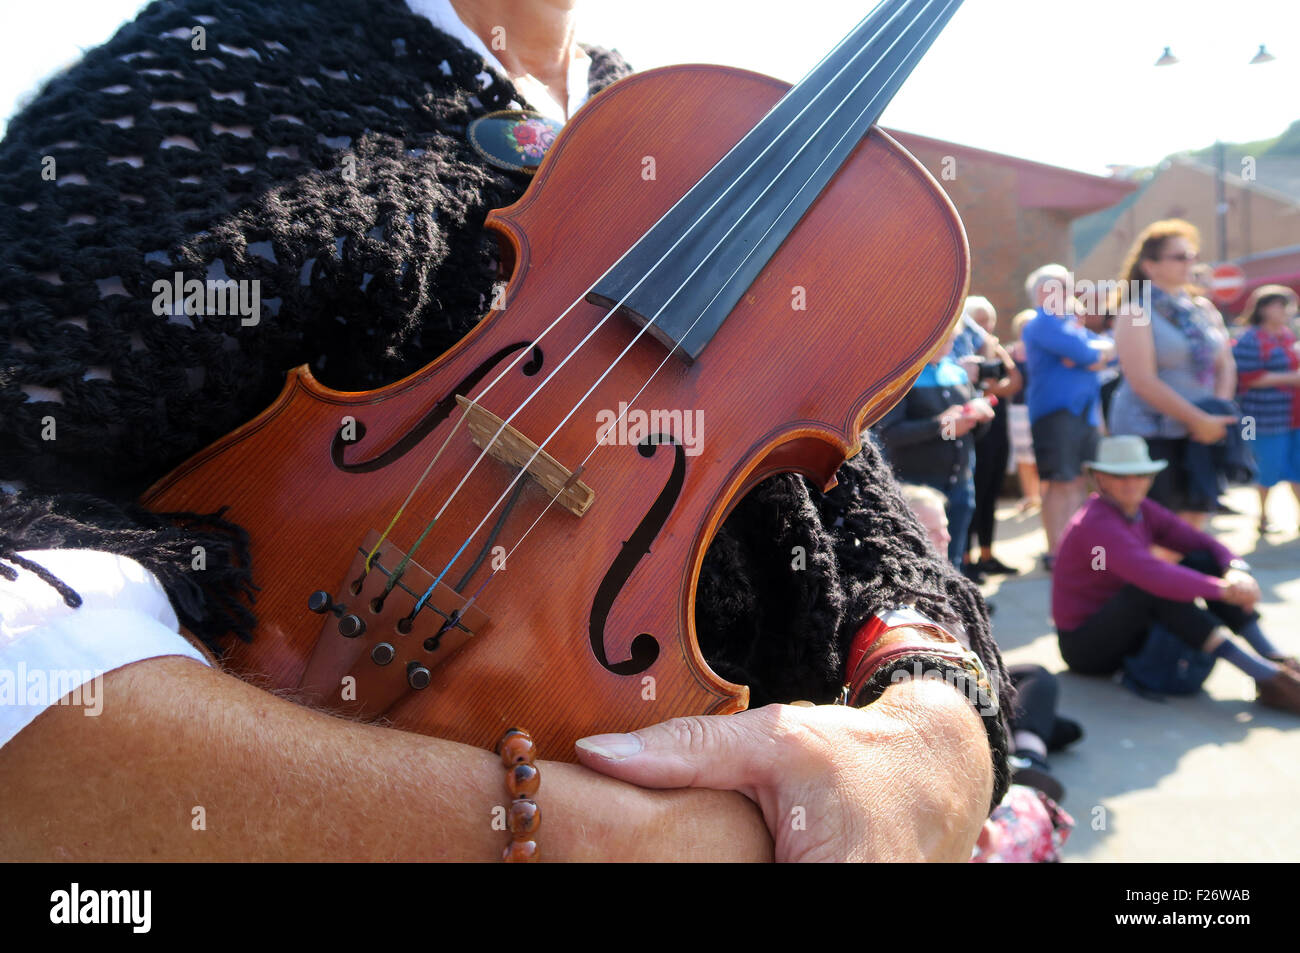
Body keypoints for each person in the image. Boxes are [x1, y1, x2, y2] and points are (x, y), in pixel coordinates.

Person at [0, 0, 1009, 861]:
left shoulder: (694, 117)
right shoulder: (213, 68)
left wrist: (935, 735)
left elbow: (867, 528)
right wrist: (565, 831)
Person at [1051, 435, 1300, 714]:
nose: (1132, 483)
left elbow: (1201, 543)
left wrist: (1236, 570)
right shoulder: (1096, 523)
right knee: (1151, 589)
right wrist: (1224, 590)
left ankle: (1271, 656)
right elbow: (1152, 575)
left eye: (1140, 474)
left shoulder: (1141, 509)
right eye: (1120, 476)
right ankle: (1267, 677)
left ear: (1151, 476)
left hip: (1127, 625)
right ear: (1100, 478)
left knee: (1201, 561)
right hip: (1085, 649)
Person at [902, 483, 1082, 803]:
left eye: (944, 528)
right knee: (1043, 722)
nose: (944, 538)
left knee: (1040, 680)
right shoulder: (899, 590)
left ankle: (1027, 753)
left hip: (979, 683)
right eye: (931, 531)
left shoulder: (949, 579)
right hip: (948, 698)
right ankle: (1025, 753)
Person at [1108, 220, 1239, 529]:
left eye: (1192, 255)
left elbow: (1226, 364)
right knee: (1158, 523)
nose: (1190, 262)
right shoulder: (1135, 311)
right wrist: (1199, 420)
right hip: (1151, 432)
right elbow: (1142, 380)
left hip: (1201, 429)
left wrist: (1214, 413)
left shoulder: (1203, 309)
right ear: (1150, 266)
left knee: (1197, 515)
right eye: (1180, 257)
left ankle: (1186, 577)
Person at [874, 322, 996, 568]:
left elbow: (961, 432)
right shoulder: (901, 377)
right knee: (923, 563)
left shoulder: (957, 373)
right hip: (920, 488)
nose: (947, 347)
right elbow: (890, 434)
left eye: (951, 340)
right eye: (941, 340)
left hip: (959, 484)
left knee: (953, 560)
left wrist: (978, 418)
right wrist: (941, 425)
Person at [1021, 264, 1114, 569]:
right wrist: (1088, 353)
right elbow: (1090, 355)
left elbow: (1104, 351)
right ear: (1044, 291)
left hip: (1081, 415)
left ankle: (1070, 549)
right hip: (1056, 414)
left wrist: (1087, 352)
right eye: (1063, 285)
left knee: (1076, 482)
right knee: (1060, 483)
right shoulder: (1042, 323)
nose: (1071, 291)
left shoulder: (1068, 323)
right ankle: (1056, 553)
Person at [962, 296, 1023, 578]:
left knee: (991, 494)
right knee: (974, 494)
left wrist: (998, 353)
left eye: (989, 320)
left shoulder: (994, 349)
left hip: (998, 431)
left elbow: (1012, 384)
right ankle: (966, 557)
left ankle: (987, 553)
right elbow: (981, 389)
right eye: (979, 320)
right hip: (976, 433)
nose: (985, 326)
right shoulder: (963, 352)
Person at [1232, 285, 1300, 534]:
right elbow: (1245, 377)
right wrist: (1291, 378)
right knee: (1266, 467)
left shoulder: (1287, 335)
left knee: (1297, 466)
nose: (1286, 310)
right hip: (1261, 417)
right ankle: (1262, 516)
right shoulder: (1250, 338)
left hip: (1292, 413)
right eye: (1280, 305)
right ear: (1263, 308)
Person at [1007, 308, 1041, 512]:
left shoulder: (1044, 350)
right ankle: (1031, 496)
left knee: (1039, 454)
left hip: (1039, 407)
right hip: (1018, 409)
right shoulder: (1010, 353)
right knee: (1023, 457)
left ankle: (1041, 495)